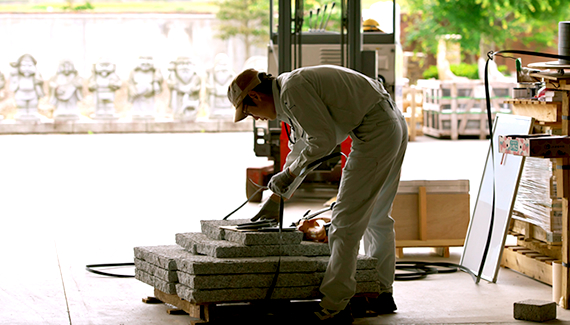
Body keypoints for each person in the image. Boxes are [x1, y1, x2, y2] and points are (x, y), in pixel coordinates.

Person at [227, 65, 408, 323]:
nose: (257, 119)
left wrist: (288, 176)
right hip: (391, 122)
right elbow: (303, 145)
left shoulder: (293, 90)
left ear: (255, 97)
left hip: (376, 129)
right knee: (378, 218)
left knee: (345, 224)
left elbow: (322, 142)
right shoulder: (290, 92)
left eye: (249, 113)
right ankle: (381, 293)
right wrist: (279, 193)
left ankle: (335, 307)